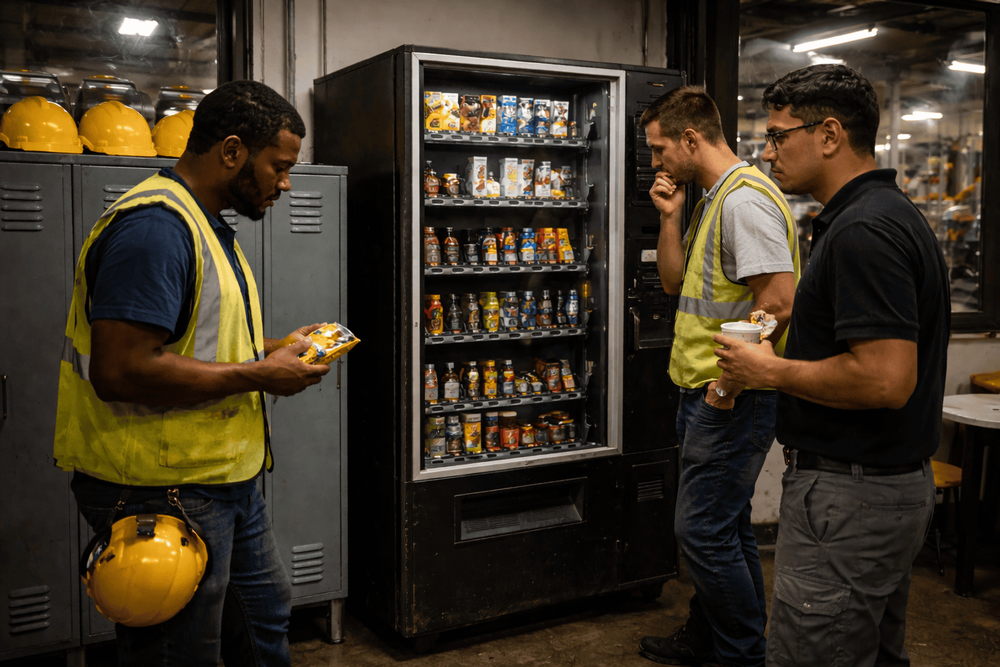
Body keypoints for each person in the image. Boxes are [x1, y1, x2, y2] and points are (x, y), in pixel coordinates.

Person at [53, 80, 330, 666]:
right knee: (179, 653)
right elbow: (121, 370)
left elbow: (194, 338)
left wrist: (275, 350)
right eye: (279, 167)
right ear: (232, 151)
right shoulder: (156, 229)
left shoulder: (204, 222)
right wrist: (258, 376)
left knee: (263, 617)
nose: (285, 185)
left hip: (223, 479)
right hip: (158, 488)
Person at [714, 64, 949, 667]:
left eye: (778, 136)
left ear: (828, 134)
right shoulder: (881, 214)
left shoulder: (864, 230)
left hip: (853, 496)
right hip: (877, 490)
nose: (768, 153)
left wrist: (769, 371)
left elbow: (885, 379)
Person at [638, 86, 800, 667]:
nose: (655, 161)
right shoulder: (714, 198)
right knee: (725, 528)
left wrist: (726, 388)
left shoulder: (744, 202)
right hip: (706, 391)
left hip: (730, 399)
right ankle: (714, 638)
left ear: (690, 139)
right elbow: (675, 283)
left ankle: (742, 656)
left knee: (703, 532)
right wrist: (670, 217)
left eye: (659, 149)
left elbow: (777, 304)